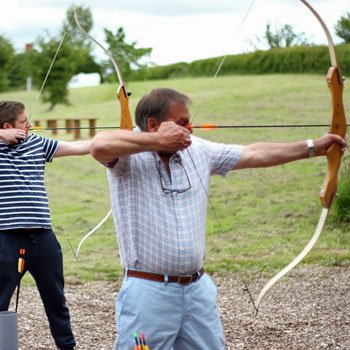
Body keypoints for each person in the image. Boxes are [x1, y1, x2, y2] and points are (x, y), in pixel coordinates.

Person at [90, 88, 346, 350]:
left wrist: (313, 147)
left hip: (196, 291)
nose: (189, 128)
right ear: (154, 124)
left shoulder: (198, 150)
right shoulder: (126, 158)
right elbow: (99, 146)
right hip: (147, 293)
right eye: (181, 123)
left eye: (188, 122)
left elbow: (254, 153)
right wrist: (157, 142)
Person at [0, 101, 91, 350]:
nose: (29, 124)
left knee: (56, 300)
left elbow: (79, 147)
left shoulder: (37, 143)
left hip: (43, 239)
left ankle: (67, 347)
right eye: (22, 121)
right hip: (7, 239)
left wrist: (110, 142)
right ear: (8, 126)